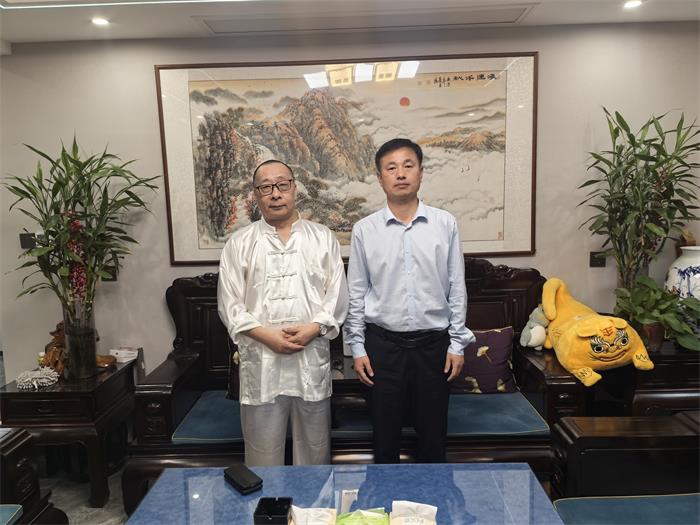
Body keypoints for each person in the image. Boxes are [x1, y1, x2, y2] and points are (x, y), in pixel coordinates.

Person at [344, 138, 475, 463]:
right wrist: (357, 348)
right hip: (383, 349)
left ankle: (434, 496)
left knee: (433, 439)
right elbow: (356, 292)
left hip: (434, 348)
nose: (400, 174)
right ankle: (385, 496)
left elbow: (456, 287)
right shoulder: (364, 230)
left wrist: (457, 345)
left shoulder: (445, 224)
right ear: (380, 178)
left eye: (408, 165)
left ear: (420, 172)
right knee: (384, 439)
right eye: (391, 168)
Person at [218, 159, 348, 466]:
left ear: (294, 188)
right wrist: (266, 336)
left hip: (310, 357)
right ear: (256, 194)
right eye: (266, 187)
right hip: (262, 361)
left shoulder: (322, 238)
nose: (275, 193)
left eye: (282, 185)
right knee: (262, 456)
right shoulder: (239, 243)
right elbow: (229, 303)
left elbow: (337, 295)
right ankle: (266, 499)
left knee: (314, 451)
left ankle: (312, 499)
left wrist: (314, 328)